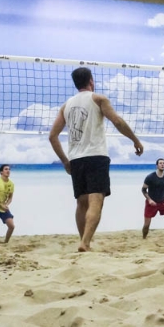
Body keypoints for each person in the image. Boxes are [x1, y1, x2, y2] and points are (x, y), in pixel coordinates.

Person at [49, 67, 144, 252]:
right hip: (96, 156)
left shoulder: (66, 106)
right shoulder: (99, 99)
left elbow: (52, 136)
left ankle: (84, 241)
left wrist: (65, 161)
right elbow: (117, 121)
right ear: (91, 81)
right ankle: (85, 243)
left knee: (81, 203)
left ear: (75, 83)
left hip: (76, 159)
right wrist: (135, 140)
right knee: (96, 201)